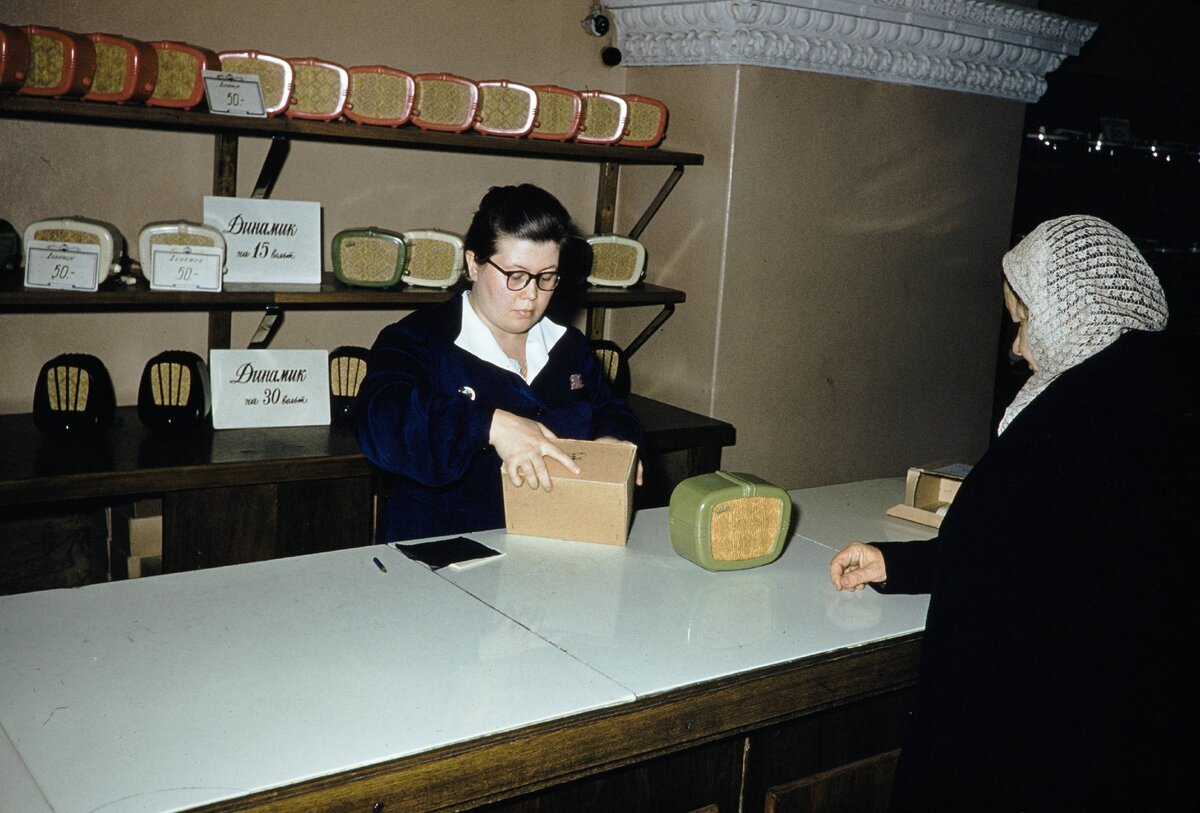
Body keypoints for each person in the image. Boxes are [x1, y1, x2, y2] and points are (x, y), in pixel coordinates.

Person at [829, 215, 1199, 811]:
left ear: (1072, 314)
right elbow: (1016, 548)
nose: (1018, 346)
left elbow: (996, 564)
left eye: (1025, 322)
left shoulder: (1074, 421)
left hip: (1029, 740)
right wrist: (895, 564)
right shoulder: (1145, 398)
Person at [357, 184, 643, 542]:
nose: (532, 295)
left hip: (555, 542)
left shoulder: (569, 347)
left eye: (547, 277)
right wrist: (489, 425)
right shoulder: (417, 339)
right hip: (443, 553)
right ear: (473, 264)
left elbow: (611, 409)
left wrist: (614, 439)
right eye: (516, 276)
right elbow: (381, 422)